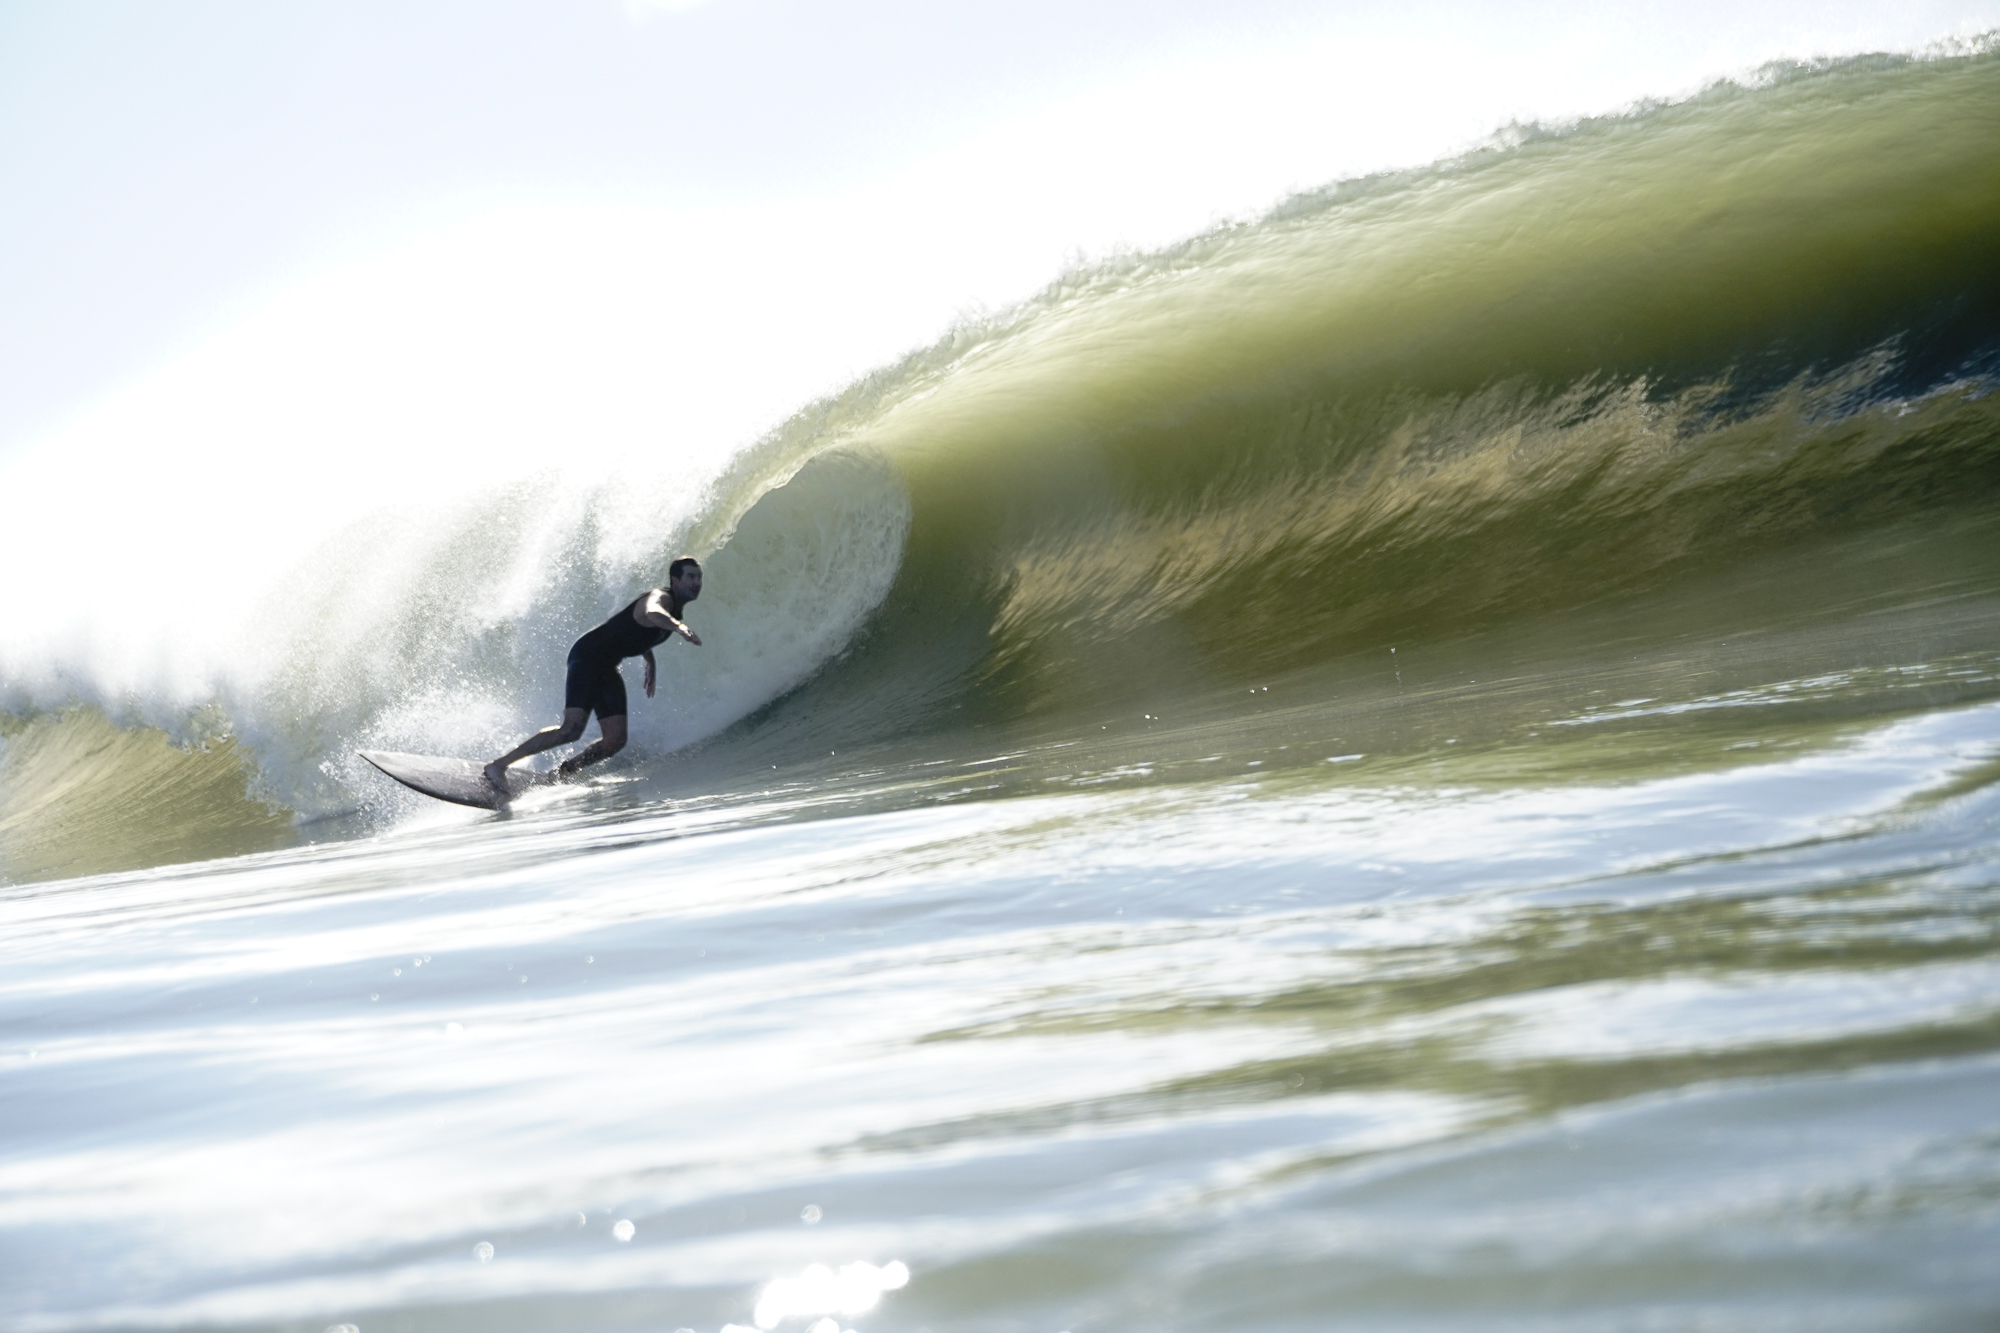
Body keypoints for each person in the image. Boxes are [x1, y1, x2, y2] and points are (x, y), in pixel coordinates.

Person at [484, 557, 704, 793]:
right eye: (690, 576)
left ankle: (560, 774)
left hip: (606, 667)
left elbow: (634, 630)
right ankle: (498, 766)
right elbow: (651, 612)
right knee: (570, 730)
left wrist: (649, 659)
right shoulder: (662, 599)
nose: (696, 582)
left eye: (699, 577)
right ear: (675, 579)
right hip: (588, 657)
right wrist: (679, 628)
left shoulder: (675, 610)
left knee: (615, 740)